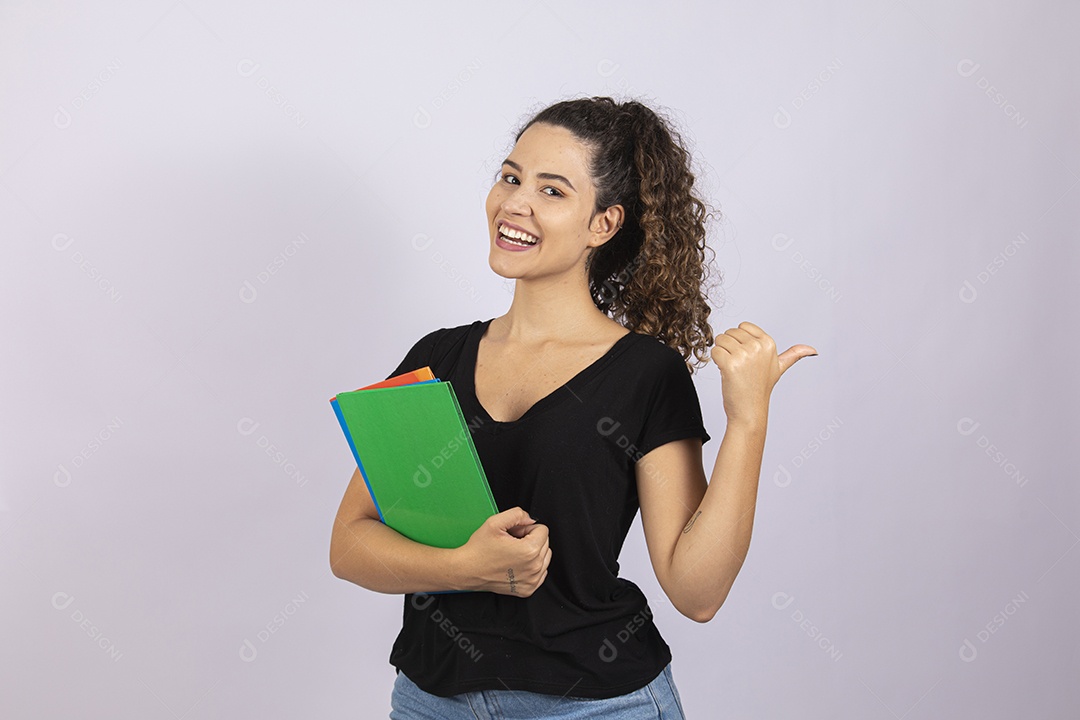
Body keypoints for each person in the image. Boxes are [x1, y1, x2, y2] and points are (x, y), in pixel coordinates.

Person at [330, 95, 817, 719]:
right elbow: (349, 545)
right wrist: (466, 568)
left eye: (552, 190)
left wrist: (748, 419)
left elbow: (697, 591)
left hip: (596, 705)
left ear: (603, 225)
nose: (516, 203)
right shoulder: (437, 358)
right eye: (511, 177)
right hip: (431, 701)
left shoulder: (645, 373)